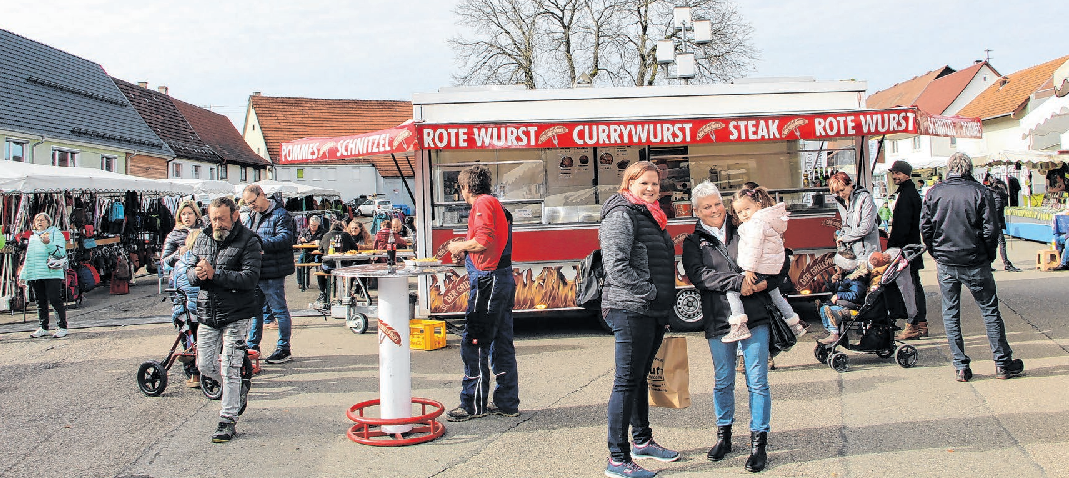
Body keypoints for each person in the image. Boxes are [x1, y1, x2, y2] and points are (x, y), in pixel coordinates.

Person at [680, 181, 774, 473]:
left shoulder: (747, 225)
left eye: (717, 204)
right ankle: (725, 436)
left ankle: (759, 443)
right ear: (697, 212)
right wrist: (738, 282)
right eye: (706, 207)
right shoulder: (693, 242)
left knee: (757, 381)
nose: (714, 210)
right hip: (719, 319)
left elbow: (775, 259)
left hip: (755, 313)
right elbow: (699, 276)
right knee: (723, 382)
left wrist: (767, 282)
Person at [594, 161, 679, 478]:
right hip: (630, 307)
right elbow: (616, 266)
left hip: (652, 310)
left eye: (655, 184)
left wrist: (660, 301)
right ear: (629, 183)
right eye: (643, 183)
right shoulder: (621, 214)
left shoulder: (651, 215)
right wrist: (650, 292)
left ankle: (642, 441)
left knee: (640, 377)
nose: (650, 188)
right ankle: (617, 459)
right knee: (626, 382)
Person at [921, 152, 1025, 382]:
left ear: (950, 168)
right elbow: (992, 229)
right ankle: (1002, 363)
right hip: (975, 259)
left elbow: (926, 228)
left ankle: (960, 366)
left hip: (946, 260)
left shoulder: (935, 192)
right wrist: (987, 256)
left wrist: (936, 252)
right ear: (968, 169)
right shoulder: (981, 192)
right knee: (989, 310)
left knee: (951, 313)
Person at [444, 164, 520, 425]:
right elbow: (490, 242)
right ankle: (507, 403)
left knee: (474, 343)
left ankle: (473, 404)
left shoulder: (483, 204)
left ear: (466, 187)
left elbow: (483, 241)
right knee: (501, 343)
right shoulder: (495, 204)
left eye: (461, 189)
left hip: (489, 281)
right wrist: (466, 251)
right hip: (501, 278)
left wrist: (458, 245)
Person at [185, 196, 262, 443]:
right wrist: (196, 274)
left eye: (222, 218)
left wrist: (215, 274)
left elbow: (250, 278)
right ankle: (238, 387)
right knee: (205, 366)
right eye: (213, 218)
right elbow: (189, 271)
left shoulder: (249, 240)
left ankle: (227, 419)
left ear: (235, 216)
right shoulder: (203, 238)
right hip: (208, 312)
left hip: (238, 313)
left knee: (229, 366)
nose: (217, 223)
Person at [721, 186, 805, 343]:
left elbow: (754, 248)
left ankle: (739, 326)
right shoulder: (766, 221)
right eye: (739, 212)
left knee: (732, 291)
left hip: (759, 267)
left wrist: (749, 269)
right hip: (771, 268)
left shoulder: (755, 224)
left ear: (758, 205)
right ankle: (794, 324)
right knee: (776, 295)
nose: (744, 214)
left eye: (747, 209)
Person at [241, 185, 297, 364]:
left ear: (262, 195)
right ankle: (252, 346)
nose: (251, 206)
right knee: (254, 310)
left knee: (279, 310)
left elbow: (285, 238)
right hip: (255, 270)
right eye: (248, 204)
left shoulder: (281, 214)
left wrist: (259, 244)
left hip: (273, 270)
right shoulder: (252, 215)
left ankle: (283, 348)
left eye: (253, 202)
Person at [886, 160, 929, 340]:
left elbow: (902, 226)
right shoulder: (908, 192)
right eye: (894, 173)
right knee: (915, 285)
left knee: (909, 287)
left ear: (906, 174)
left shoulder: (907, 194)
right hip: (911, 246)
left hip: (906, 249)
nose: (895, 176)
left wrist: (893, 248)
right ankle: (921, 323)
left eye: (898, 173)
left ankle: (914, 324)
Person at [20, 213, 69, 339]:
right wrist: (24, 274)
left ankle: (62, 326)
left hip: (51, 272)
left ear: (48, 222)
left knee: (55, 299)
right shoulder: (33, 237)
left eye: (42, 220)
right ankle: (43, 327)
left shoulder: (55, 233)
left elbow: (60, 252)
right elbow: (28, 258)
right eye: (37, 220)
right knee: (40, 301)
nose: (39, 222)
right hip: (36, 274)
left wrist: (48, 243)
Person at [828, 172, 880, 268]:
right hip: (853, 255)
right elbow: (845, 225)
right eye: (837, 192)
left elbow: (865, 228)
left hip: (868, 254)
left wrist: (845, 238)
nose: (841, 194)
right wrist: (841, 237)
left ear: (851, 184)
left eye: (842, 190)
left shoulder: (865, 198)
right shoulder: (842, 202)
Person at [171, 229, 202, 388]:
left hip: (185, 312)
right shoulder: (204, 263)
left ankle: (194, 375)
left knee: (189, 344)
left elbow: (174, 286)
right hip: (202, 311)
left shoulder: (180, 264)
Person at [817, 264, 868, 345]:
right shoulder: (845, 276)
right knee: (823, 308)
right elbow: (838, 290)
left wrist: (839, 296)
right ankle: (830, 331)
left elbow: (855, 295)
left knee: (829, 310)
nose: (836, 268)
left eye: (837, 266)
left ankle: (834, 334)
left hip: (854, 306)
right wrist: (833, 283)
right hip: (846, 304)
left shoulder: (856, 279)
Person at [983, 175, 1021, 272]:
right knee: (1001, 243)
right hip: (995, 222)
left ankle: (989, 263)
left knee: (993, 243)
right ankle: (1006, 263)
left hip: (990, 222)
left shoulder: (989, 194)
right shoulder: (998, 197)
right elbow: (997, 210)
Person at [316, 220, 358, 306]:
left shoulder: (326, 236)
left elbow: (320, 250)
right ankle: (348, 292)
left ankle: (323, 292)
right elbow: (355, 248)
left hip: (328, 265)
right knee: (352, 268)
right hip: (344, 265)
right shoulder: (346, 235)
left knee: (319, 268)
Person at [160, 200, 202, 274]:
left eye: (190, 213)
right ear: (180, 216)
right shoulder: (173, 235)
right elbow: (164, 262)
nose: (187, 217)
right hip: (182, 276)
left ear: (196, 215)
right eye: (183, 214)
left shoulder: (204, 232)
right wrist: (178, 253)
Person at [296, 215, 326, 291]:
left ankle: (321, 283)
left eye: (314, 225)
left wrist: (308, 242)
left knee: (318, 262)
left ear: (318, 224)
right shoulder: (304, 231)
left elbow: (323, 243)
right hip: (307, 252)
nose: (312, 227)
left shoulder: (323, 232)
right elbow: (298, 241)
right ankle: (300, 282)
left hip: (318, 253)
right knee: (300, 260)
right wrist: (301, 241)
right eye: (311, 225)